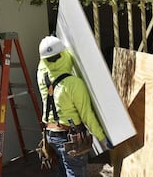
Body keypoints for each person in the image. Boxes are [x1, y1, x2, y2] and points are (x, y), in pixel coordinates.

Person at [37, 36, 111, 176]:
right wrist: (102, 138)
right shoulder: (74, 84)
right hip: (69, 138)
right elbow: (87, 115)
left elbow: (43, 64)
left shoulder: (42, 77)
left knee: (63, 173)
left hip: (50, 135)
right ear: (64, 54)